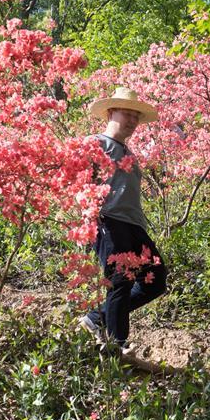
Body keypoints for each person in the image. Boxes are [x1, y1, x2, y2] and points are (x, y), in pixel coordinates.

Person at [79, 87, 168, 354]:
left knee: (156, 280)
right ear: (109, 113)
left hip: (134, 224)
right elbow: (80, 182)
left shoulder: (130, 154)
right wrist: (89, 213)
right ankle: (118, 344)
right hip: (109, 220)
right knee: (121, 280)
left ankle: (97, 318)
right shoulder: (96, 143)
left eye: (135, 117)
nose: (131, 121)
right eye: (126, 114)